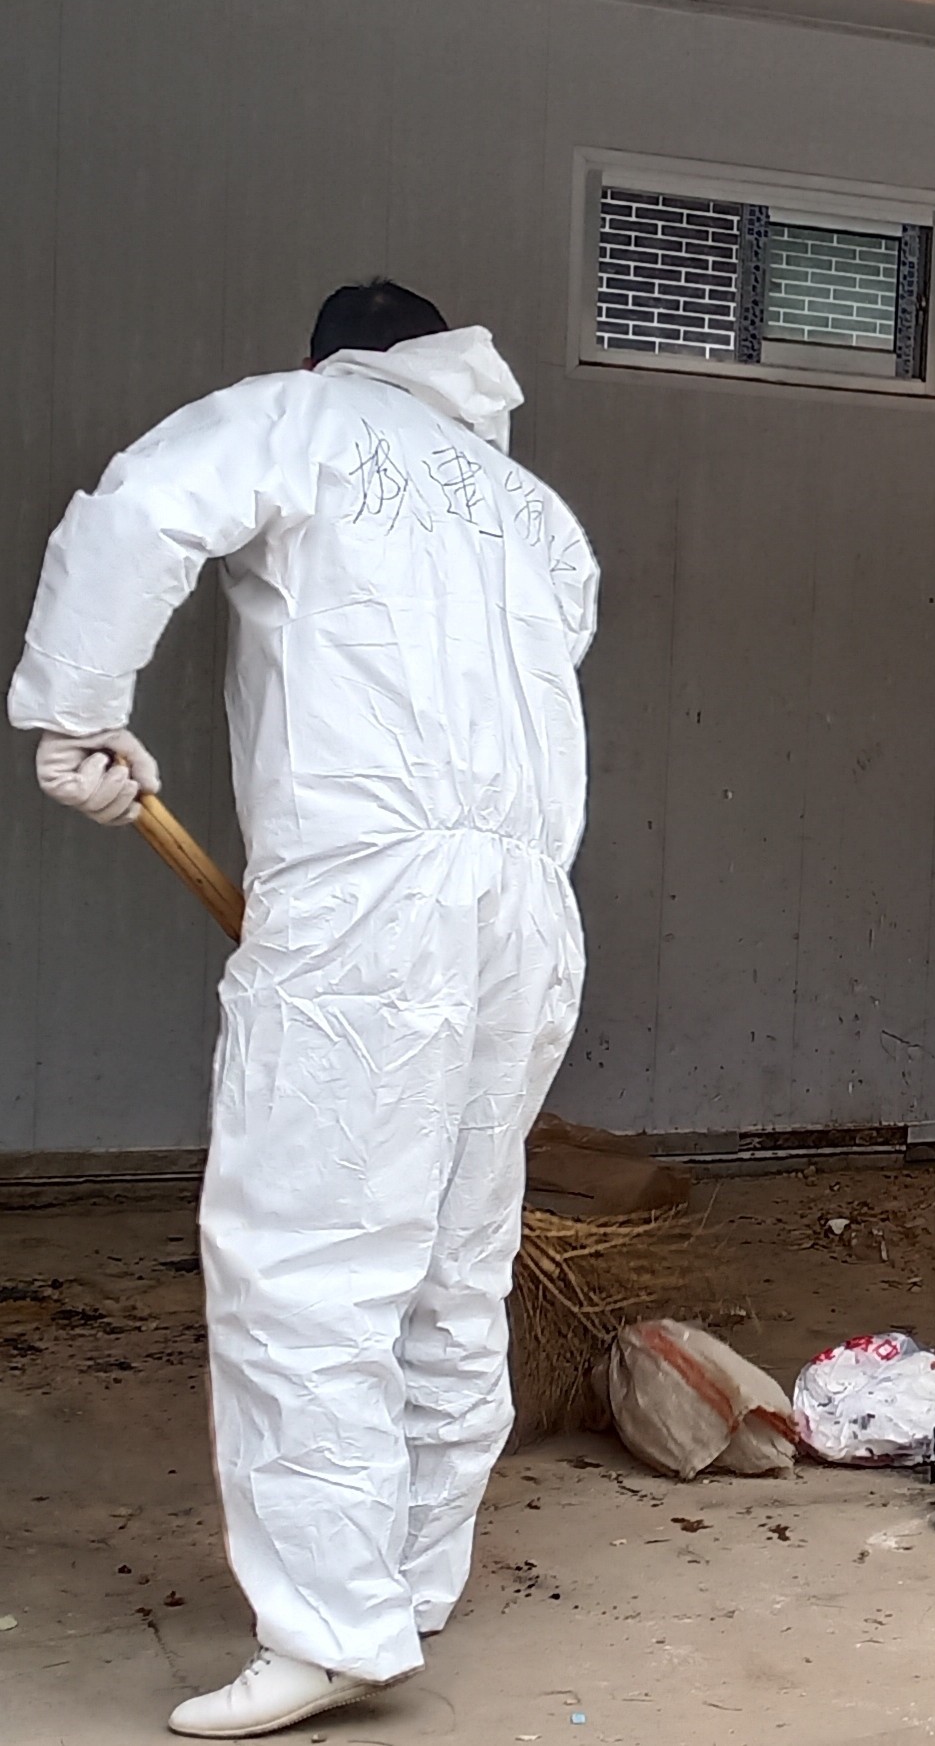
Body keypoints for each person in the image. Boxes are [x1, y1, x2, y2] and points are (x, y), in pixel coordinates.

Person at [8, 281, 597, 1736]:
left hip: (365, 900)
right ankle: (406, 1576)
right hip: (525, 911)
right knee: (454, 1264)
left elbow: (136, 508)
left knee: (308, 1266)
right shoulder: (537, 511)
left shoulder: (298, 419)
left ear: (330, 355)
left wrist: (76, 710)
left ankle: (333, 1627)